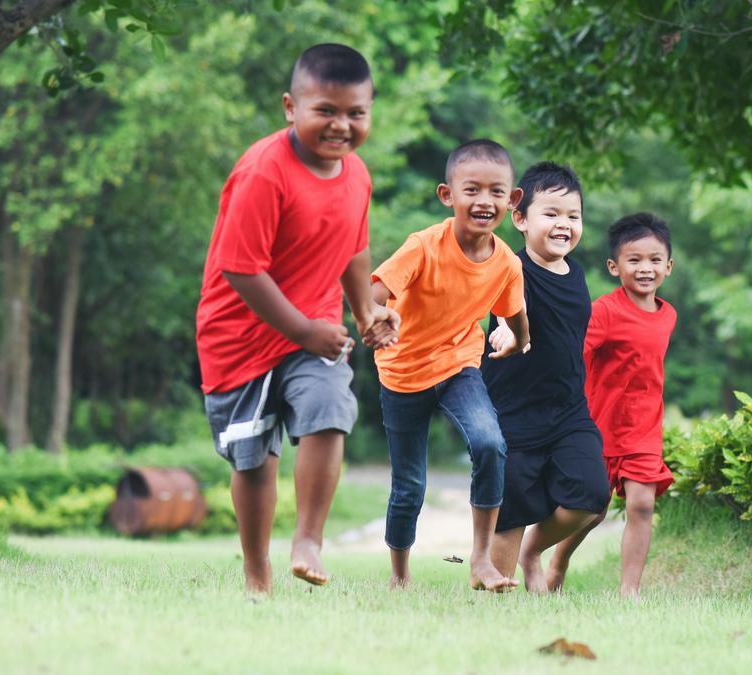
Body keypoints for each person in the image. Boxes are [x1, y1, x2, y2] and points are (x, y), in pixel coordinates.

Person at [195, 43, 398, 594]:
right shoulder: (265, 171)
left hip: (314, 329)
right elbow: (241, 270)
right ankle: (256, 570)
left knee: (329, 411)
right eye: (325, 110)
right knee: (254, 457)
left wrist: (364, 311)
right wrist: (304, 329)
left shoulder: (357, 175)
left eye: (356, 113)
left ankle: (309, 539)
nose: (341, 125)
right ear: (291, 107)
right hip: (237, 336)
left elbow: (355, 247)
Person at [371, 139, 530, 591]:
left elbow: (515, 311)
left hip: (460, 364)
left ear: (512, 199)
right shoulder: (423, 246)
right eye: (472, 190)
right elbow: (376, 291)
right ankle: (399, 576)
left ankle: (481, 561)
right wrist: (376, 318)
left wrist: (520, 340)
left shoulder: (506, 262)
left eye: (497, 192)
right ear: (448, 195)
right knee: (409, 485)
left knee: (489, 443)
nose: (484, 201)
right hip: (402, 372)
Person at [481, 161, 611, 593]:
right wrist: (503, 328)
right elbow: (503, 309)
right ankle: (496, 593)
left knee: (592, 495)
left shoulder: (575, 273)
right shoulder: (511, 270)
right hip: (512, 414)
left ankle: (532, 552)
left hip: (568, 411)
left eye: (573, 216)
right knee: (511, 508)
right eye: (551, 214)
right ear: (520, 218)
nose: (564, 225)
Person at [558, 212, 677, 597]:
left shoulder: (668, 314)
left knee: (642, 505)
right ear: (614, 266)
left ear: (668, 266)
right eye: (634, 260)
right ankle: (558, 562)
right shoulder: (604, 312)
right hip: (599, 425)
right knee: (591, 512)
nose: (646, 268)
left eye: (655, 260)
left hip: (643, 428)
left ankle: (629, 591)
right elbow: (573, 356)